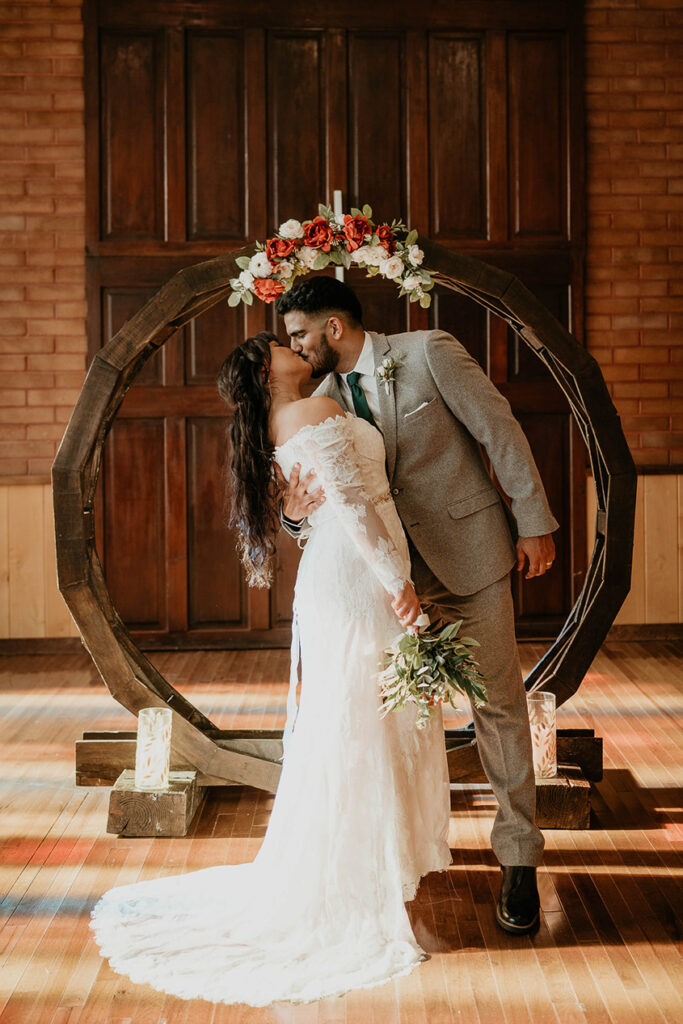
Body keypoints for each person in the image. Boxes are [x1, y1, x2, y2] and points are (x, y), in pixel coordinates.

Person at [89, 331, 452, 1006]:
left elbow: (320, 507)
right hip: (358, 573)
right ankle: (360, 870)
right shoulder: (309, 414)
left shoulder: (304, 411)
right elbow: (350, 507)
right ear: (265, 372)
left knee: (358, 714)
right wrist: (396, 582)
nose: (294, 344)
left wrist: (376, 562)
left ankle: (373, 860)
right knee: (358, 718)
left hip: (341, 568)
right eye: (280, 344)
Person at [275, 275, 560, 936]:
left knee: (496, 705)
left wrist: (533, 521)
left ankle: (518, 859)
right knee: (380, 722)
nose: (296, 347)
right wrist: (293, 520)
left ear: (334, 328)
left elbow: (500, 430)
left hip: (469, 557)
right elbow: (314, 505)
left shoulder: (429, 350)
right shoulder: (316, 403)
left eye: (299, 334)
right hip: (380, 587)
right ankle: (392, 857)